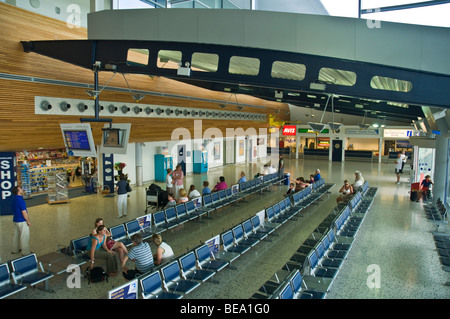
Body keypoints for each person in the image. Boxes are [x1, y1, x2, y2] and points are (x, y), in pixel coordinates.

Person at [12, 186, 31, 256]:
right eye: (21, 189)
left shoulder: (14, 199)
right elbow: (24, 212)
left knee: (16, 236)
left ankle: (15, 250)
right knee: (24, 237)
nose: (22, 190)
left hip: (15, 220)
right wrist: (28, 221)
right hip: (22, 221)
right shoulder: (21, 200)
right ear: (18, 191)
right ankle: (26, 252)